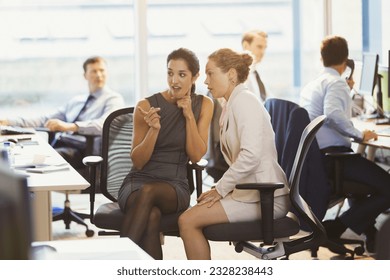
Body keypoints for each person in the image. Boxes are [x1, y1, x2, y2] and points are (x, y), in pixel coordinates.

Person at [178, 48, 290, 260]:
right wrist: (221, 190)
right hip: (251, 193)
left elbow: (251, 156)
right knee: (194, 212)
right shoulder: (232, 103)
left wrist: (221, 189)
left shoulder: (245, 101)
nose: (206, 81)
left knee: (187, 221)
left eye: (211, 73)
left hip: (266, 197)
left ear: (230, 74)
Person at [117, 48, 213, 260]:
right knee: (151, 216)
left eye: (182, 74)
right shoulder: (146, 105)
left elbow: (196, 155)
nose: (174, 81)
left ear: (195, 77)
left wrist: (188, 116)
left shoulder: (204, 105)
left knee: (150, 192)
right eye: (170, 73)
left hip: (175, 185)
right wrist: (154, 130)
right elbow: (138, 162)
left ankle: (118, 261)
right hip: (137, 183)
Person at [299, 35, 390, 253]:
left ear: (322, 58)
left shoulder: (316, 83)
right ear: (346, 60)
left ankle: (371, 235)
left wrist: (345, 93)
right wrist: (360, 135)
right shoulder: (336, 82)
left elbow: (328, 112)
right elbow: (332, 114)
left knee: (365, 183)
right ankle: (336, 227)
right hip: (334, 158)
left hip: (318, 159)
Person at [0, 56, 124, 171]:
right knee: (23, 154)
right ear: (85, 75)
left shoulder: (113, 99)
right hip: (63, 143)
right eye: (94, 71)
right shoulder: (77, 101)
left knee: (44, 159)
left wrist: (70, 126)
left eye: (102, 70)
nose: (99, 75)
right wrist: (9, 121)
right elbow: (45, 120)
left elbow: (105, 124)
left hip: (86, 151)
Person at [241, 29, 269, 102]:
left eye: (264, 48)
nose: (263, 52)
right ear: (246, 46)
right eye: (259, 47)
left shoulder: (256, 74)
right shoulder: (239, 74)